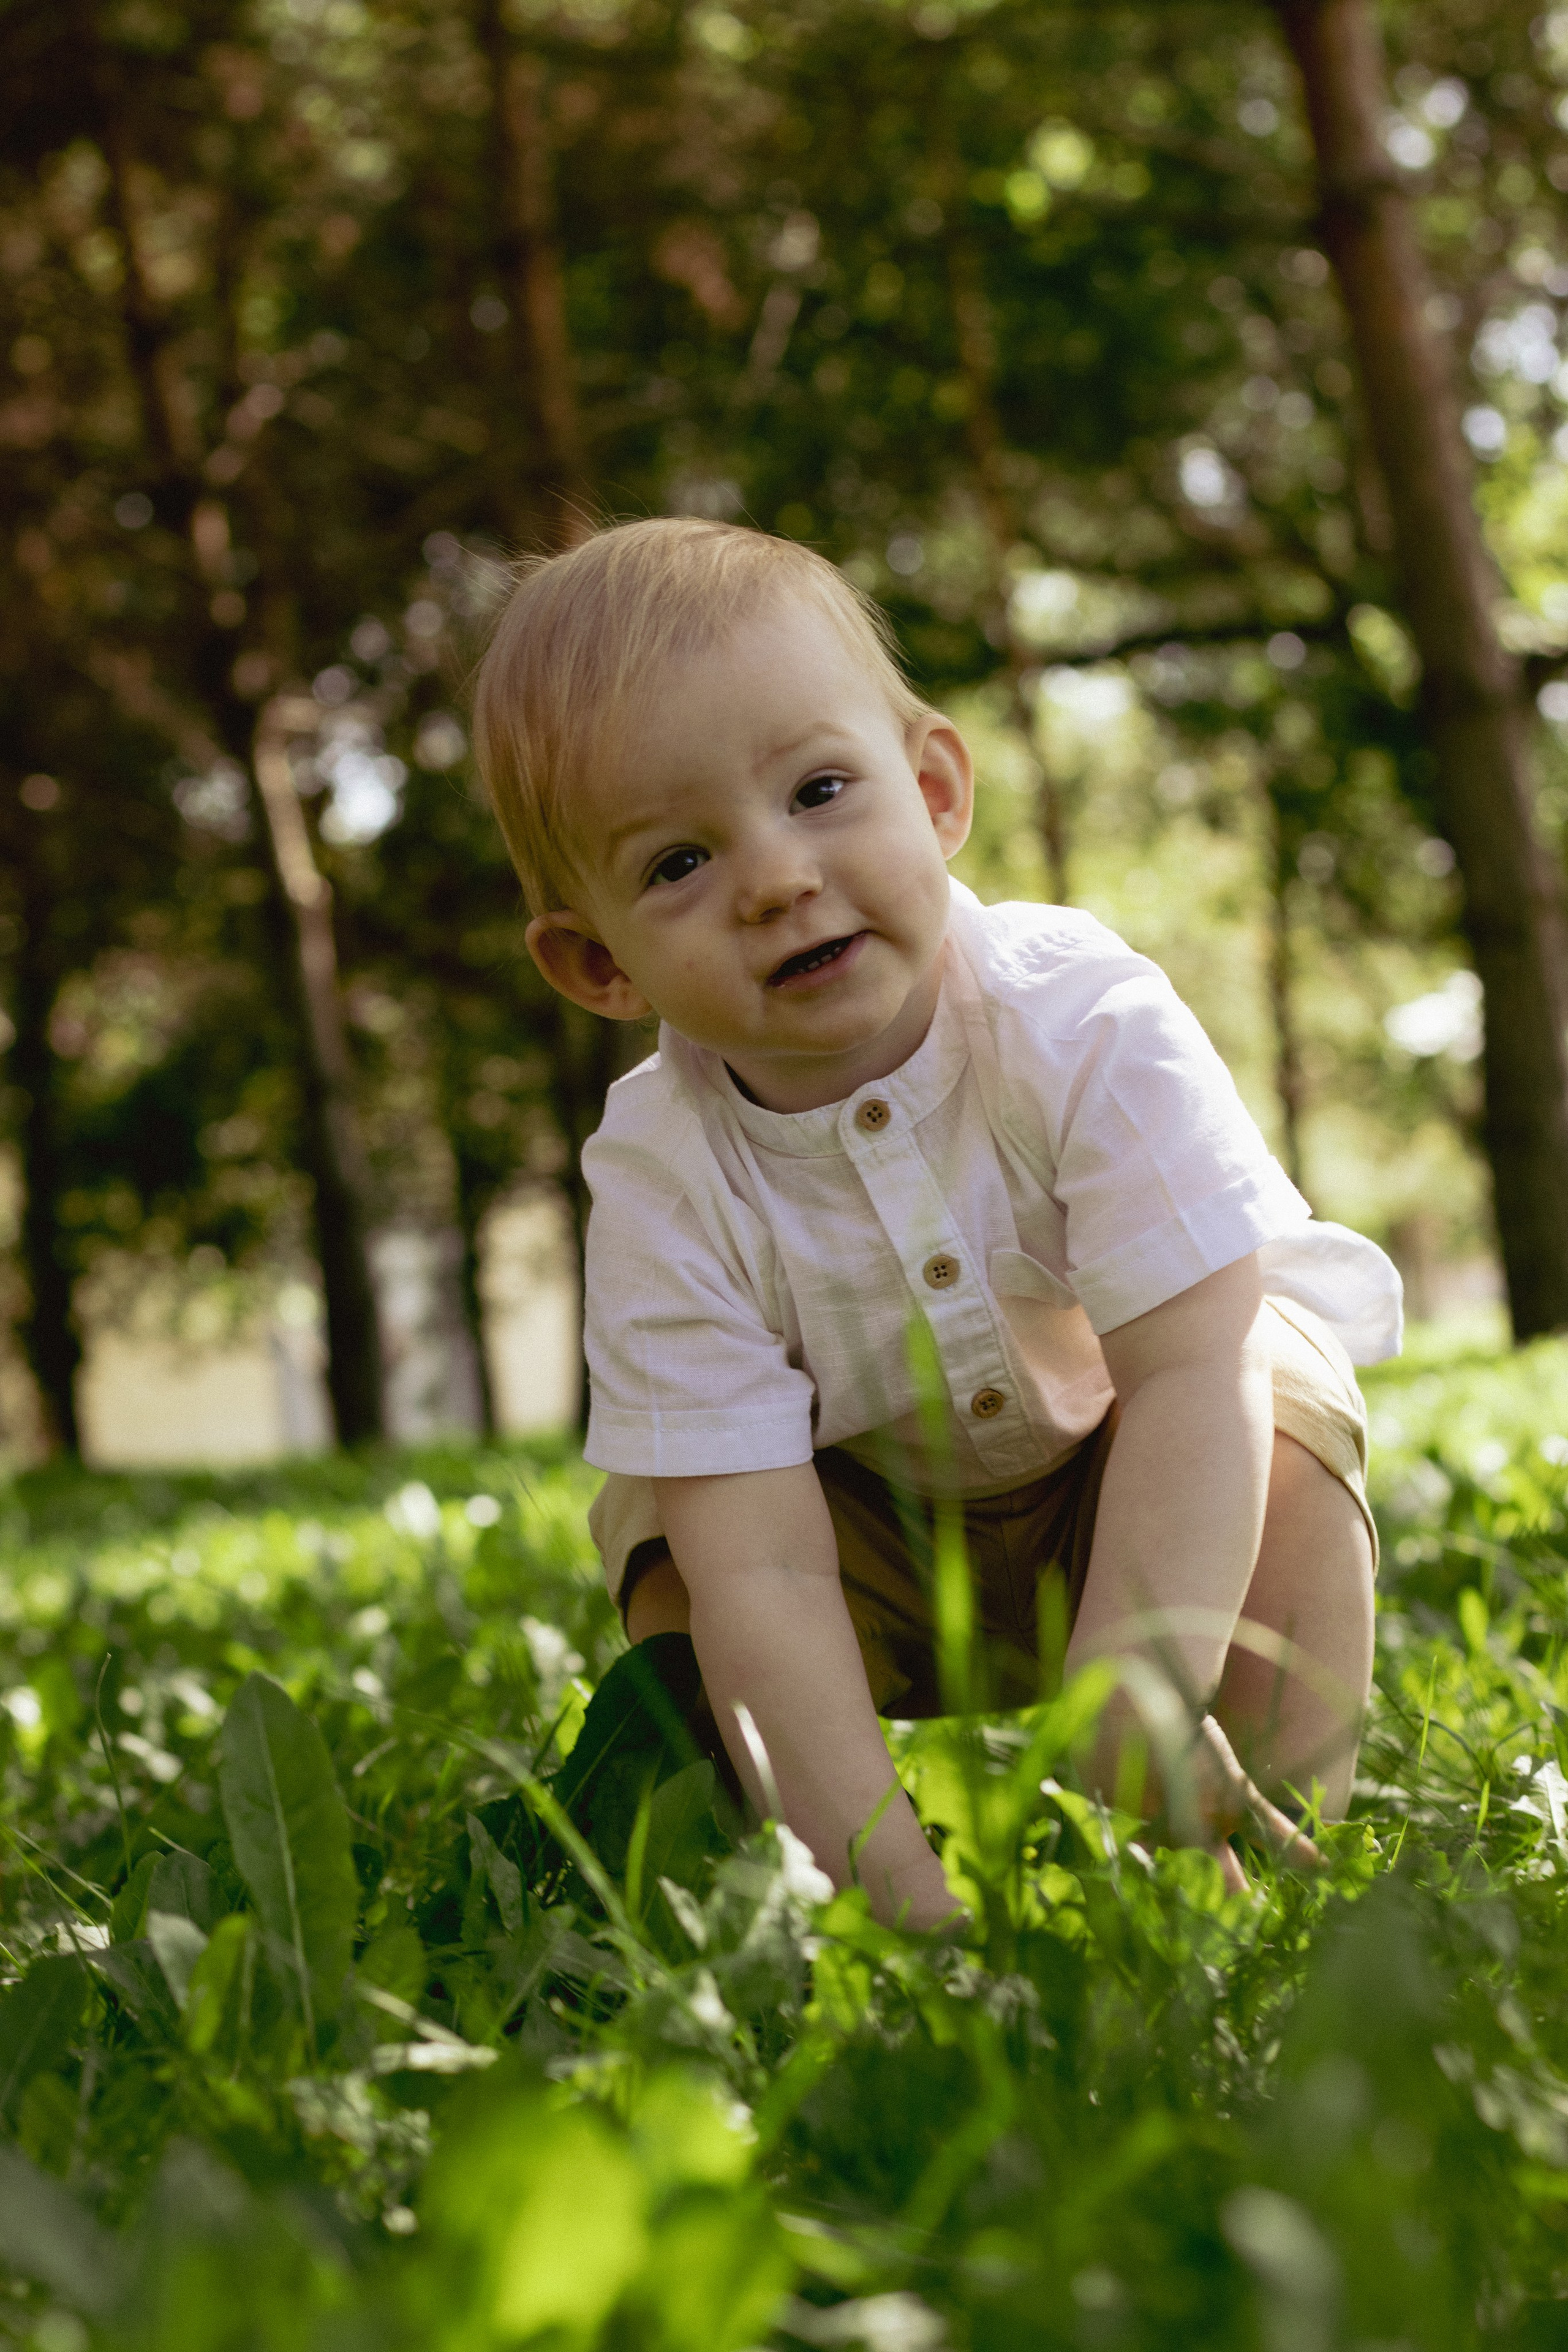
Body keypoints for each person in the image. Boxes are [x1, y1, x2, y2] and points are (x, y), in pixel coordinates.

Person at [473, 518, 1401, 1929]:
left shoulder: (1080, 1017)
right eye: (675, 864)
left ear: (934, 787)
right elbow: (766, 1561)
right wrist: (895, 1899)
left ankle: (1244, 1855)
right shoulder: (658, 1177)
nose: (776, 876)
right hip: (863, 1540)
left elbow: (1183, 1369)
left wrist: (1139, 1674)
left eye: (821, 789)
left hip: (1135, 1476)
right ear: (596, 963)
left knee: (1274, 1386)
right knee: (680, 1550)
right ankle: (733, 1863)